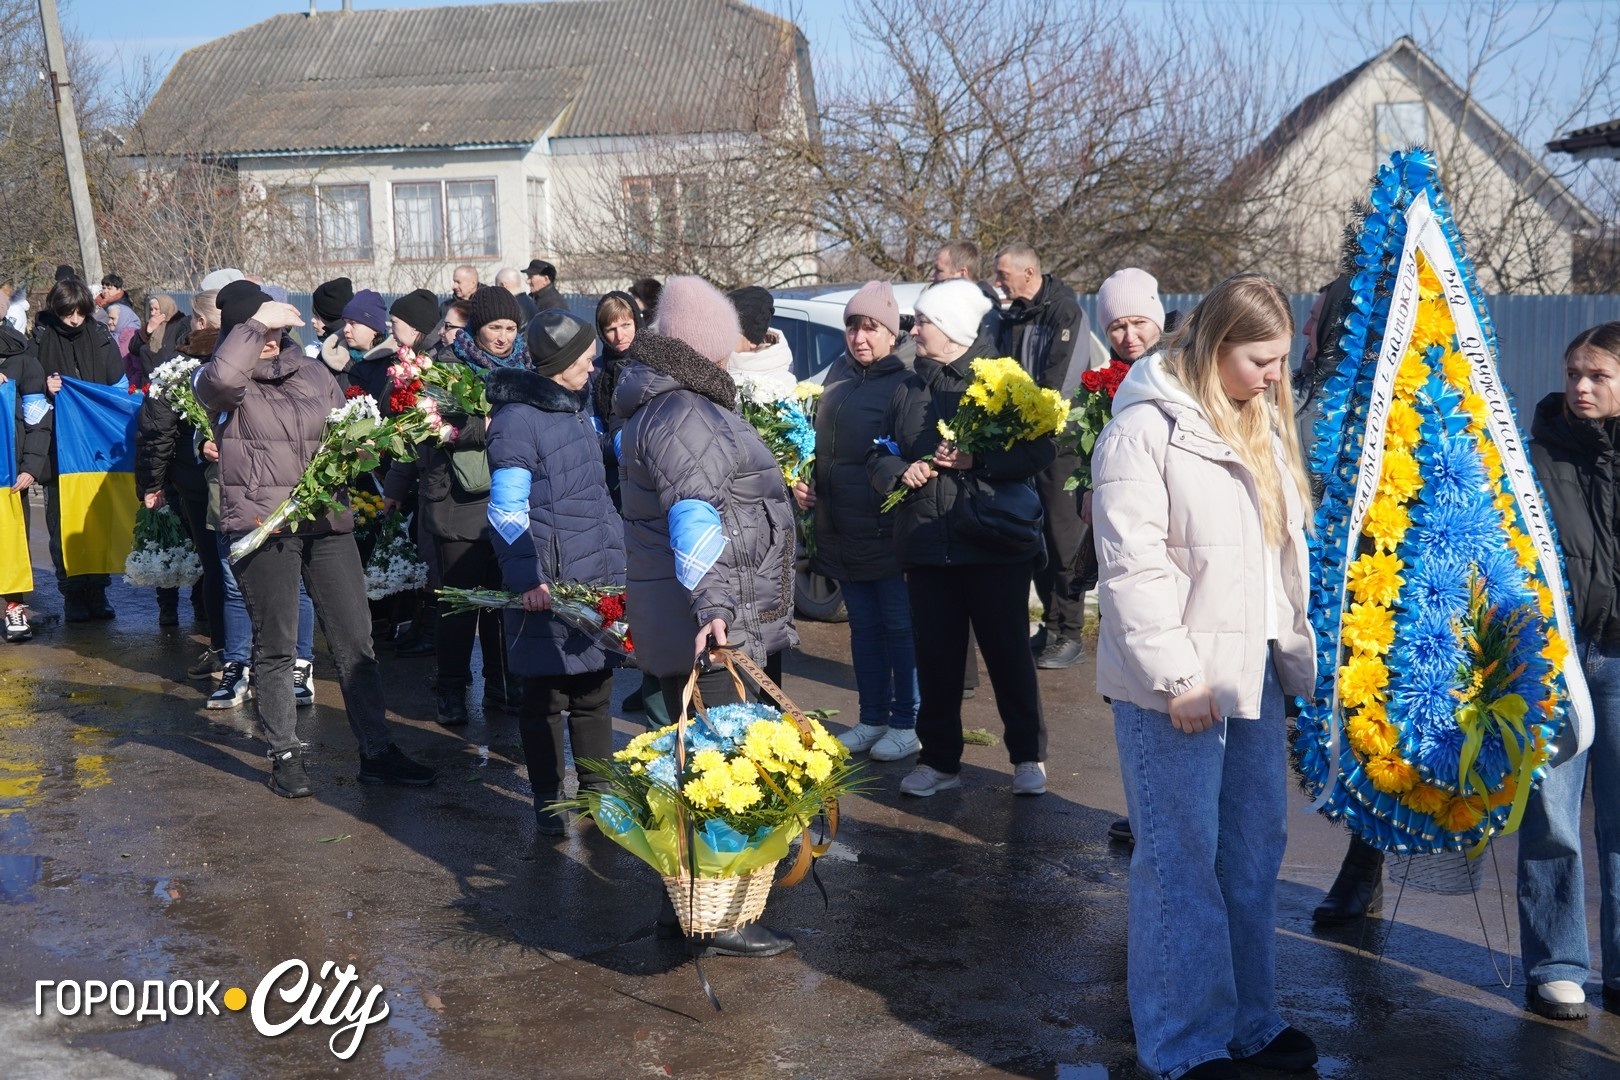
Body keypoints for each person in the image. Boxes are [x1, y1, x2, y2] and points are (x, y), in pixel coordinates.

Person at [1092, 273, 1317, 1080]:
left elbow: (1276, 558)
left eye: (1283, 360)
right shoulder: (1143, 430)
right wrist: (1177, 676)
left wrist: (1295, 655)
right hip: (1177, 687)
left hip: (1250, 672)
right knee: (1180, 861)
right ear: (1216, 346)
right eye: (1261, 359)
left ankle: (1251, 1023)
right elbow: (1131, 567)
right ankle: (1184, 1045)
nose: (1275, 376)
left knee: (1252, 854)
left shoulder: (1258, 422)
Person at [613, 274, 797, 958]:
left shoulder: (662, 403)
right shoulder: (684, 410)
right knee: (720, 765)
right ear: (708, 345)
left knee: (692, 763)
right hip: (706, 623)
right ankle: (722, 918)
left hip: (687, 613)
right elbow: (695, 514)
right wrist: (716, 608)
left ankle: (684, 911)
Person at [195, 280, 434, 797]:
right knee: (276, 643)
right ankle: (284, 753)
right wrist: (255, 323)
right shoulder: (218, 379)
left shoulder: (311, 371)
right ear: (239, 330)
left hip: (326, 522)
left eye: (278, 329)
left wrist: (362, 445)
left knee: (356, 639)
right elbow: (222, 381)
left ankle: (377, 750)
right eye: (262, 329)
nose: (274, 339)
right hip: (264, 526)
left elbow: (340, 428)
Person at [868, 278, 1052, 798]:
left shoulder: (1003, 380)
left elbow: (1040, 452)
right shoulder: (906, 387)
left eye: (922, 321)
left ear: (950, 329)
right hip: (927, 545)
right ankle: (940, 761)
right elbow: (877, 449)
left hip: (993, 544)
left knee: (1009, 654)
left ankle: (1027, 757)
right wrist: (895, 471)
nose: (914, 329)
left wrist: (979, 460)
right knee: (938, 660)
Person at [486, 310, 626, 835]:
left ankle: (598, 796)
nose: (593, 367)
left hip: (595, 574)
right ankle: (549, 802)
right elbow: (505, 509)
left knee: (594, 689)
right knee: (545, 697)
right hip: (549, 580)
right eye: (587, 359)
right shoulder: (518, 419)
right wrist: (525, 577)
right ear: (562, 362)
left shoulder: (575, 408)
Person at [1518, 321, 1620, 1021]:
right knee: (1551, 812)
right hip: (1557, 659)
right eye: (1574, 373)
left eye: (1598, 376)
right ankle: (1557, 964)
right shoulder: (1536, 452)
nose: (1580, 387)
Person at [387, 285, 524, 724]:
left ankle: (504, 687)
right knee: (460, 604)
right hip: (457, 504)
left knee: (504, 603)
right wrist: (490, 426)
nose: (502, 337)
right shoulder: (446, 366)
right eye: (493, 327)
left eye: (509, 328)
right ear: (476, 327)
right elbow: (435, 427)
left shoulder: (524, 368)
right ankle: (450, 689)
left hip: (509, 502)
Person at [796, 281, 919, 760]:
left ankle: (907, 724)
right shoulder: (837, 375)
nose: (860, 337)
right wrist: (804, 483)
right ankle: (872, 718)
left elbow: (911, 457)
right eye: (852, 326)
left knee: (898, 627)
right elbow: (817, 445)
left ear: (891, 332)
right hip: (838, 525)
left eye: (871, 328)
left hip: (885, 530)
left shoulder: (906, 381)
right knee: (863, 629)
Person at [993, 243, 1091, 669]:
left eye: (1003, 275)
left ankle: (1071, 633)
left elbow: (1060, 382)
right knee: (1037, 537)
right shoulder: (1015, 315)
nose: (998, 283)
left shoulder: (1064, 311)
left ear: (1028, 272)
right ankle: (1050, 627)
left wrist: (1033, 421)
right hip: (1024, 442)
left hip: (1058, 443)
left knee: (1063, 537)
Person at [34, 277, 124, 621]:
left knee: (96, 520)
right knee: (62, 522)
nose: (74, 319)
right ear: (56, 311)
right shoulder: (41, 339)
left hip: (96, 448)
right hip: (59, 449)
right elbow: (27, 386)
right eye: (68, 313)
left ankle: (98, 591)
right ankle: (72, 593)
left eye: (79, 312)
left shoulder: (99, 337)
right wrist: (45, 386)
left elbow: (116, 387)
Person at [0, 319, 48, 642]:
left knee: (12, 542)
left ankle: (15, 607)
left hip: (10, 475)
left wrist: (30, 466)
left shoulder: (24, 359)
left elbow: (39, 419)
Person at [321, 289, 397, 402]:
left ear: (374, 328)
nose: (346, 329)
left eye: (353, 323)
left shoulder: (395, 364)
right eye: (345, 323)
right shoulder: (329, 359)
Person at [726, 286, 797, 401]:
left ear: (752, 341)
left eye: (729, 331)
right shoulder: (717, 365)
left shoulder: (781, 388)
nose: (719, 335)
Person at [130, 294, 188, 383]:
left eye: (156, 309)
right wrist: (147, 331)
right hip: (148, 380)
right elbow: (133, 349)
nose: (153, 313)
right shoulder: (150, 324)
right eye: (151, 309)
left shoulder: (180, 325)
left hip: (169, 380)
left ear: (166, 308)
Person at [305, 276, 353, 359]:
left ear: (329, 317)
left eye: (317, 316)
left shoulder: (351, 351)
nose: (312, 320)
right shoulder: (311, 351)